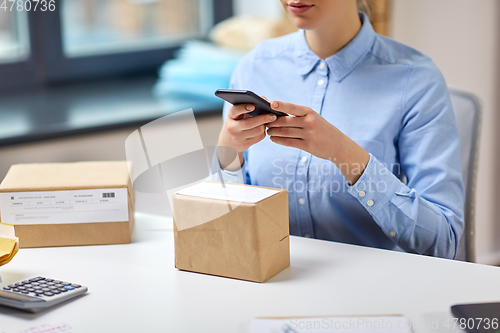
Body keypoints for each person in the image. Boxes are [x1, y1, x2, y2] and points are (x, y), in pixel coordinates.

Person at [215, 0, 464, 259]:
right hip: (269, 283)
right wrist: (228, 155)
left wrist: (345, 154)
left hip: (371, 291)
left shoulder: (416, 79)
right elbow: (221, 225)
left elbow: (443, 242)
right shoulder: (255, 66)